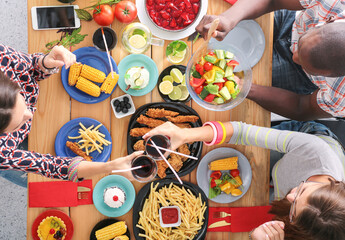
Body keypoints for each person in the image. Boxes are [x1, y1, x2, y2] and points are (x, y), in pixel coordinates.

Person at [144, 121, 345, 240]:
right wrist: (185, 135)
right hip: (305, 138)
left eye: (293, 211)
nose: (290, 193)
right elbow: (243, 132)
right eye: (302, 189)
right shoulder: (315, 151)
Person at [0, 44, 141, 187]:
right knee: (37, 184)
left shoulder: (2, 58)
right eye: (17, 124)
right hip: (9, 151)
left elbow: (30, 67)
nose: (30, 114)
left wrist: (45, 63)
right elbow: (50, 166)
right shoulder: (2, 152)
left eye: (22, 101)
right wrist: (110, 167)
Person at [195, 0, 345, 120]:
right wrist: (228, 18)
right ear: (330, 20)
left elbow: (301, 107)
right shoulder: (334, 2)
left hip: (299, 77)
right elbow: (272, 1)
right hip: (292, 22)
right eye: (300, 47)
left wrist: (245, 88)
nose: (295, 56)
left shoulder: (341, 98)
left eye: (305, 64)